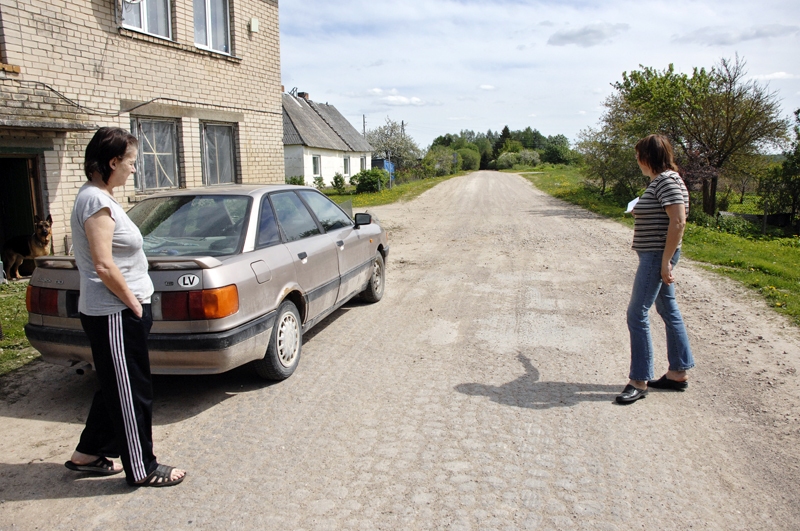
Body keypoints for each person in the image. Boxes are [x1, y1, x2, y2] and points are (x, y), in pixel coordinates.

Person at [64, 127, 186, 486]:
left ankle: (87, 453)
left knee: (116, 385)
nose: (134, 170)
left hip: (119, 311)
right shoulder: (95, 201)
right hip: (114, 312)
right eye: (131, 162)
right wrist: (133, 303)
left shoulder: (102, 196)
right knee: (131, 391)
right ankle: (142, 467)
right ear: (113, 161)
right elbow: (103, 264)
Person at [616, 134, 695, 404]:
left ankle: (639, 379)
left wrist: (665, 262)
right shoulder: (663, 182)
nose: (637, 160)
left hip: (656, 257)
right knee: (667, 309)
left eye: (639, 155)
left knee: (636, 313)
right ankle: (678, 372)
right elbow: (667, 216)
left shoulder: (667, 181)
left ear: (647, 156)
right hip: (655, 256)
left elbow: (678, 222)